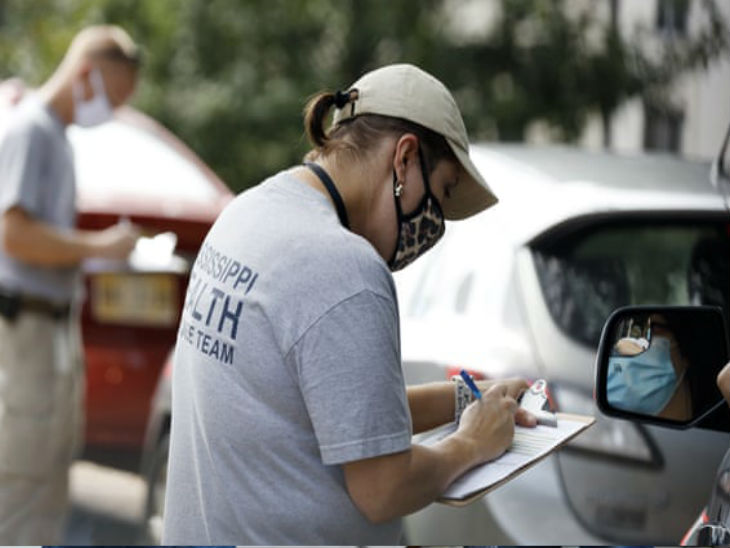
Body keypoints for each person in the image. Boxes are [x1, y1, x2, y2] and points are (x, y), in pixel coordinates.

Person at [163, 63, 536, 545]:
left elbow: (340, 415)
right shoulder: (345, 270)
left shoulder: (249, 213)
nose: (434, 221)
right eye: (441, 193)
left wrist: (470, 398)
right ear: (404, 158)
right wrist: (470, 444)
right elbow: (383, 487)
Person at [0, 25, 141, 543]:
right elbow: (13, 235)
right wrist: (99, 247)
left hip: (56, 323)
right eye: (114, 96)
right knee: (22, 470)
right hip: (25, 326)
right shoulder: (29, 130)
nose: (113, 111)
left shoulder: (57, 138)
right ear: (87, 74)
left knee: (53, 465)